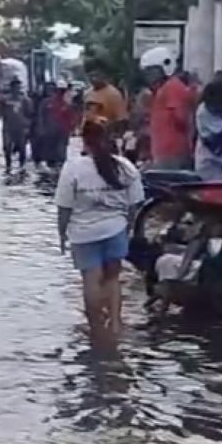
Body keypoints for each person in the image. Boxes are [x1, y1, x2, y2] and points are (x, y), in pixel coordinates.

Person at [55, 117, 145, 345]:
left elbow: (64, 207)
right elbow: (135, 204)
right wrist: (128, 227)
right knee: (113, 279)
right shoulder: (125, 167)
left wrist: (62, 234)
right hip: (116, 230)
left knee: (91, 281)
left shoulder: (73, 168)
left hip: (84, 233)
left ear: (84, 140)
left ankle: (96, 330)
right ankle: (115, 324)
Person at [140, 46, 195, 169]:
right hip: (164, 151)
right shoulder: (165, 88)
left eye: (153, 70)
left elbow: (182, 117)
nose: (150, 76)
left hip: (172, 151)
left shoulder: (172, 87)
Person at [37, 79, 78, 169]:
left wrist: (72, 129)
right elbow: (41, 116)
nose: (61, 92)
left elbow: (71, 117)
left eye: (63, 90)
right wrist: (42, 128)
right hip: (49, 131)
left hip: (62, 131)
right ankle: (51, 166)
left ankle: (59, 167)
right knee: (50, 152)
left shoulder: (67, 103)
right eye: (59, 90)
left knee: (61, 152)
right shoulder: (46, 102)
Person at [0, 77, 32, 169]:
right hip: (8, 128)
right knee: (7, 148)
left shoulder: (25, 100)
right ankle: (8, 166)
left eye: (18, 86)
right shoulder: (4, 100)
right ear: (11, 87)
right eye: (15, 86)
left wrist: (28, 128)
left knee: (22, 149)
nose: (16, 88)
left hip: (21, 128)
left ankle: (22, 167)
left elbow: (30, 115)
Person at [83, 62, 128, 133]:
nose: (93, 79)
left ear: (104, 75)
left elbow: (120, 118)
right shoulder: (87, 93)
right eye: (90, 76)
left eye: (96, 75)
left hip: (105, 134)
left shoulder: (113, 94)